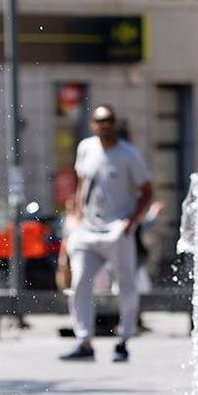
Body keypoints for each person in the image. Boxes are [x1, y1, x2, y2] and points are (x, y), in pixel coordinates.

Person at [61, 105, 153, 363]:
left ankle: (123, 340)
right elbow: (82, 184)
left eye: (109, 120)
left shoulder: (129, 155)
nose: (105, 125)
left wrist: (130, 222)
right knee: (79, 282)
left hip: (117, 230)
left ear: (115, 124)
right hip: (88, 231)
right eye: (100, 121)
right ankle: (84, 342)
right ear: (93, 124)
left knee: (126, 285)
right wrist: (77, 215)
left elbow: (147, 191)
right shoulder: (86, 148)